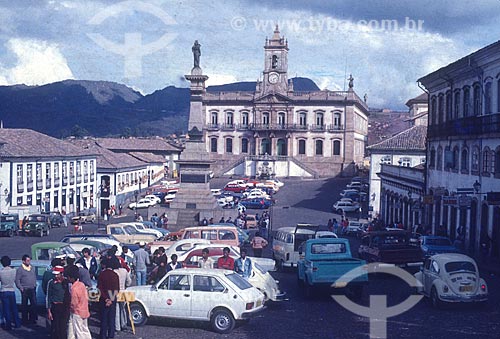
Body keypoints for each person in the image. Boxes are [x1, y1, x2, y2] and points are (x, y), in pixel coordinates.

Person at [66, 265, 91, 339]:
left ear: (71, 277)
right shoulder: (82, 284)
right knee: (85, 330)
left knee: (78, 331)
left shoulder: (74, 288)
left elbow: (74, 303)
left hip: (77, 312)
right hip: (85, 310)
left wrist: (70, 308)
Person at [97, 259, 120, 339]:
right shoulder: (115, 275)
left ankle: (102, 335)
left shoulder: (102, 274)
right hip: (112, 298)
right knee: (111, 318)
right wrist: (111, 299)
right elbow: (116, 289)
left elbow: (100, 288)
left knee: (103, 318)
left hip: (103, 299)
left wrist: (106, 299)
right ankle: (111, 335)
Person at [46, 265, 69, 339]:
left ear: (62, 273)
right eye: (55, 274)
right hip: (55, 307)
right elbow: (48, 297)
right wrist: (49, 311)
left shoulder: (66, 282)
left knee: (63, 327)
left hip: (64, 307)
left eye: (57, 274)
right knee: (55, 327)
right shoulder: (51, 282)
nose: (56, 276)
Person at [15, 254, 37, 325]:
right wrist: (20, 288)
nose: (29, 262)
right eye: (27, 260)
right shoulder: (20, 270)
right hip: (25, 289)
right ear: (23, 261)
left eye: (29, 260)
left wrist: (34, 285)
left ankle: (33, 319)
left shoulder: (32, 268)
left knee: (33, 304)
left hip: (32, 288)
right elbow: (17, 280)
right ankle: (25, 320)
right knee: (24, 305)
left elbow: (34, 276)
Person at [0, 256, 21, 331]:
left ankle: (8, 325)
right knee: (14, 308)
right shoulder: (14, 271)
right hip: (11, 290)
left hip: (4, 290)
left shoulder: (1, 272)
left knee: (6, 309)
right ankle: (17, 323)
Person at [113, 259, 131, 333]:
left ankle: (117, 327)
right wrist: (125, 286)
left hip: (114, 292)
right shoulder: (124, 271)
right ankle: (124, 323)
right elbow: (129, 281)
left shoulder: (114, 271)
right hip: (123, 290)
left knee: (116, 309)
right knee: (122, 308)